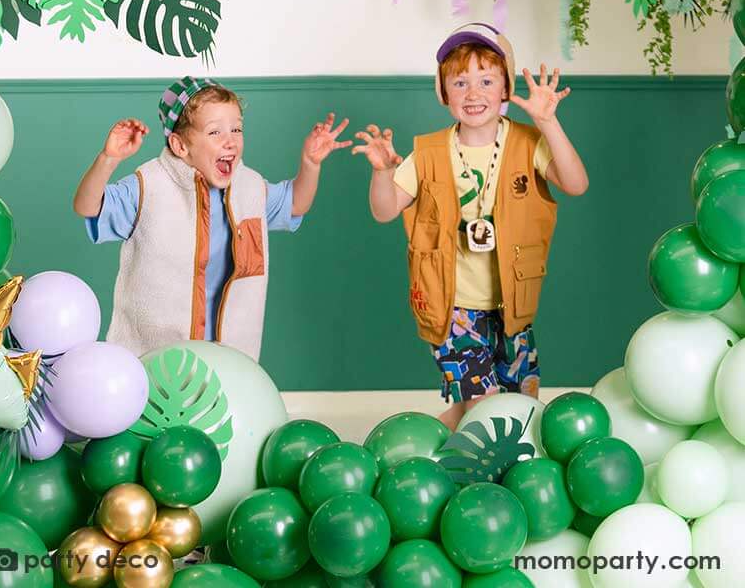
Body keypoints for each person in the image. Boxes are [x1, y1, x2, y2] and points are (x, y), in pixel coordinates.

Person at [354, 23, 588, 429]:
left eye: (486, 80)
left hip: (511, 309)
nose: (473, 93)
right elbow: (385, 210)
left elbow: (576, 183)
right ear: (444, 93)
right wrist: (381, 173)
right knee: (485, 408)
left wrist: (549, 122)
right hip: (453, 308)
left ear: (505, 89)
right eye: (459, 82)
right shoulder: (427, 153)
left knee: (522, 406)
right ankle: (470, 477)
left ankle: (431, 448)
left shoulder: (527, 142)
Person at [74, 76, 351, 360]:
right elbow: (88, 206)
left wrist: (310, 164)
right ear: (181, 146)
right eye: (215, 133)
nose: (230, 141)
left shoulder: (250, 186)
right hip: (154, 358)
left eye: (237, 129)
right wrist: (108, 159)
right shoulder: (149, 186)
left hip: (228, 359)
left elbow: (295, 205)